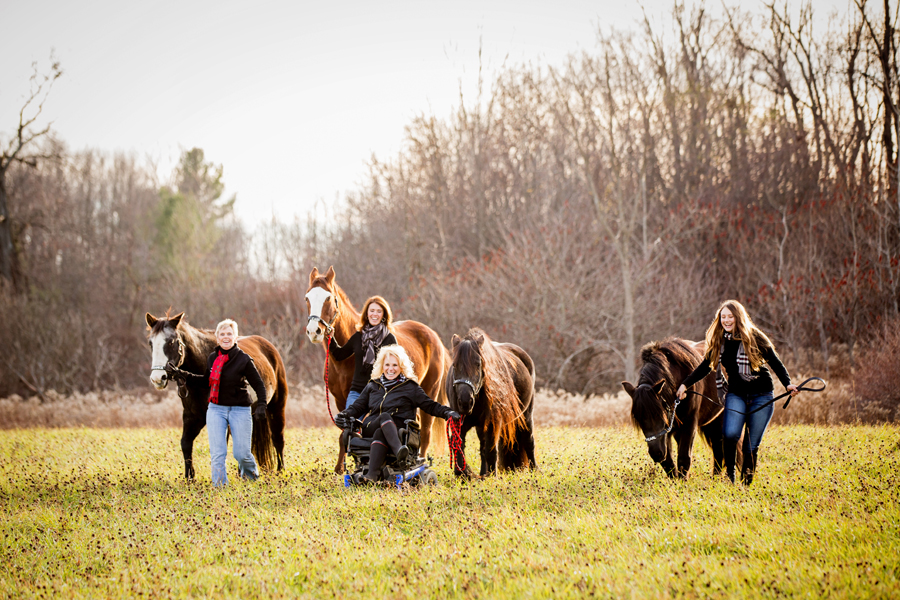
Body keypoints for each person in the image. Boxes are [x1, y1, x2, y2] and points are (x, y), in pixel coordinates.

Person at [676, 300, 799, 485]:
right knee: (730, 435)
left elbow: (775, 362)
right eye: (723, 317)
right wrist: (685, 384)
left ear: (738, 317)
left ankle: (746, 484)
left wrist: (788, 384)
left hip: (762, 394)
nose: (726, 320)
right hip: (736, 394)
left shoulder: (755, 337)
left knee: (751, 445)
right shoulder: (719, 340)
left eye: (730, 316)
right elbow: (704, 367)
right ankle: (730, 478)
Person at [334, 344, 459, 484]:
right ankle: (399, 451)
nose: (390, 369)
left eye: (395, 365)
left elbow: (430, 405)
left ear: (401, 367)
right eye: (387, 364)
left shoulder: (410, 387)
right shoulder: (372, 386)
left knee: (381, 431)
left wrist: (448, 412)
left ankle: (372, 475)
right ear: (381, 366)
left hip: (400, 430)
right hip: (373, 425)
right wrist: (342, 415)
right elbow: (357, 407)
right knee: (383, 418)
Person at [167, 319, 267, 486]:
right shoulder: (213, 358)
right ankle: (220, 487)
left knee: (241, 454)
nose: (226, 337)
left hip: (239, 409)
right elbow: (207, 381)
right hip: (216, 410)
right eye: (222, 334)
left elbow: (258, 385)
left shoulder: (244, 360)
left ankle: (251, 478)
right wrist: (182, 374)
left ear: (235, 337)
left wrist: (262, 404)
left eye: (229, 334)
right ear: (217, 337)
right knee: (217, 454)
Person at [328, 296, 398, 411]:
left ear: (384, 315)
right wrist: (330, 339)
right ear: (366, 314)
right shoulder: (358, 337)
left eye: (379, 311)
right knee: (349, 425)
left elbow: (397, 368)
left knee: (374, 426)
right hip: (357, 392)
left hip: (380, 393)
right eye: (372, 311)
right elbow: (339, 355)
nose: (374, 314)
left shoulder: (389, 339)